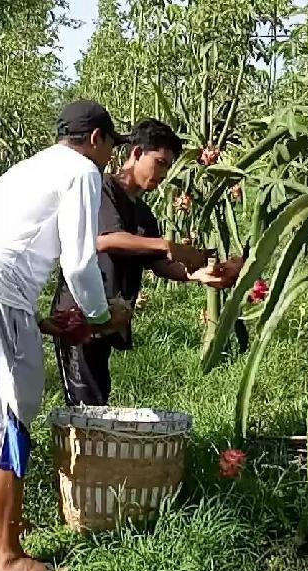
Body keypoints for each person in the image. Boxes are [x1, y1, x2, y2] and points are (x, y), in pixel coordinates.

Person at [0, 100, 131, 571]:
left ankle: (9, 537)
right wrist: (103, 315)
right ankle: (7, 558)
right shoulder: (82, 172)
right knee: (4, 424)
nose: (111, 157)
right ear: (95, 139)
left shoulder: (30, 167)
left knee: (4, 415)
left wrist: (35, 317)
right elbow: (80, 263)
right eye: (112, 144)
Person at [52, 118, 242, 406]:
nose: (163, 174)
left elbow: (158, 264)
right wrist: (169, 246)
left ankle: (92, 450)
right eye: (160, 162)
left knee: (97, 396)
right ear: (137, 153)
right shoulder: (101, 189)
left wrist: (201, 274)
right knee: (84, 402)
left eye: (168, 166)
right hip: (79, 313)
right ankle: (78, 451)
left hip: (107, 317)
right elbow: (104, 239)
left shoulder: (143, 213)